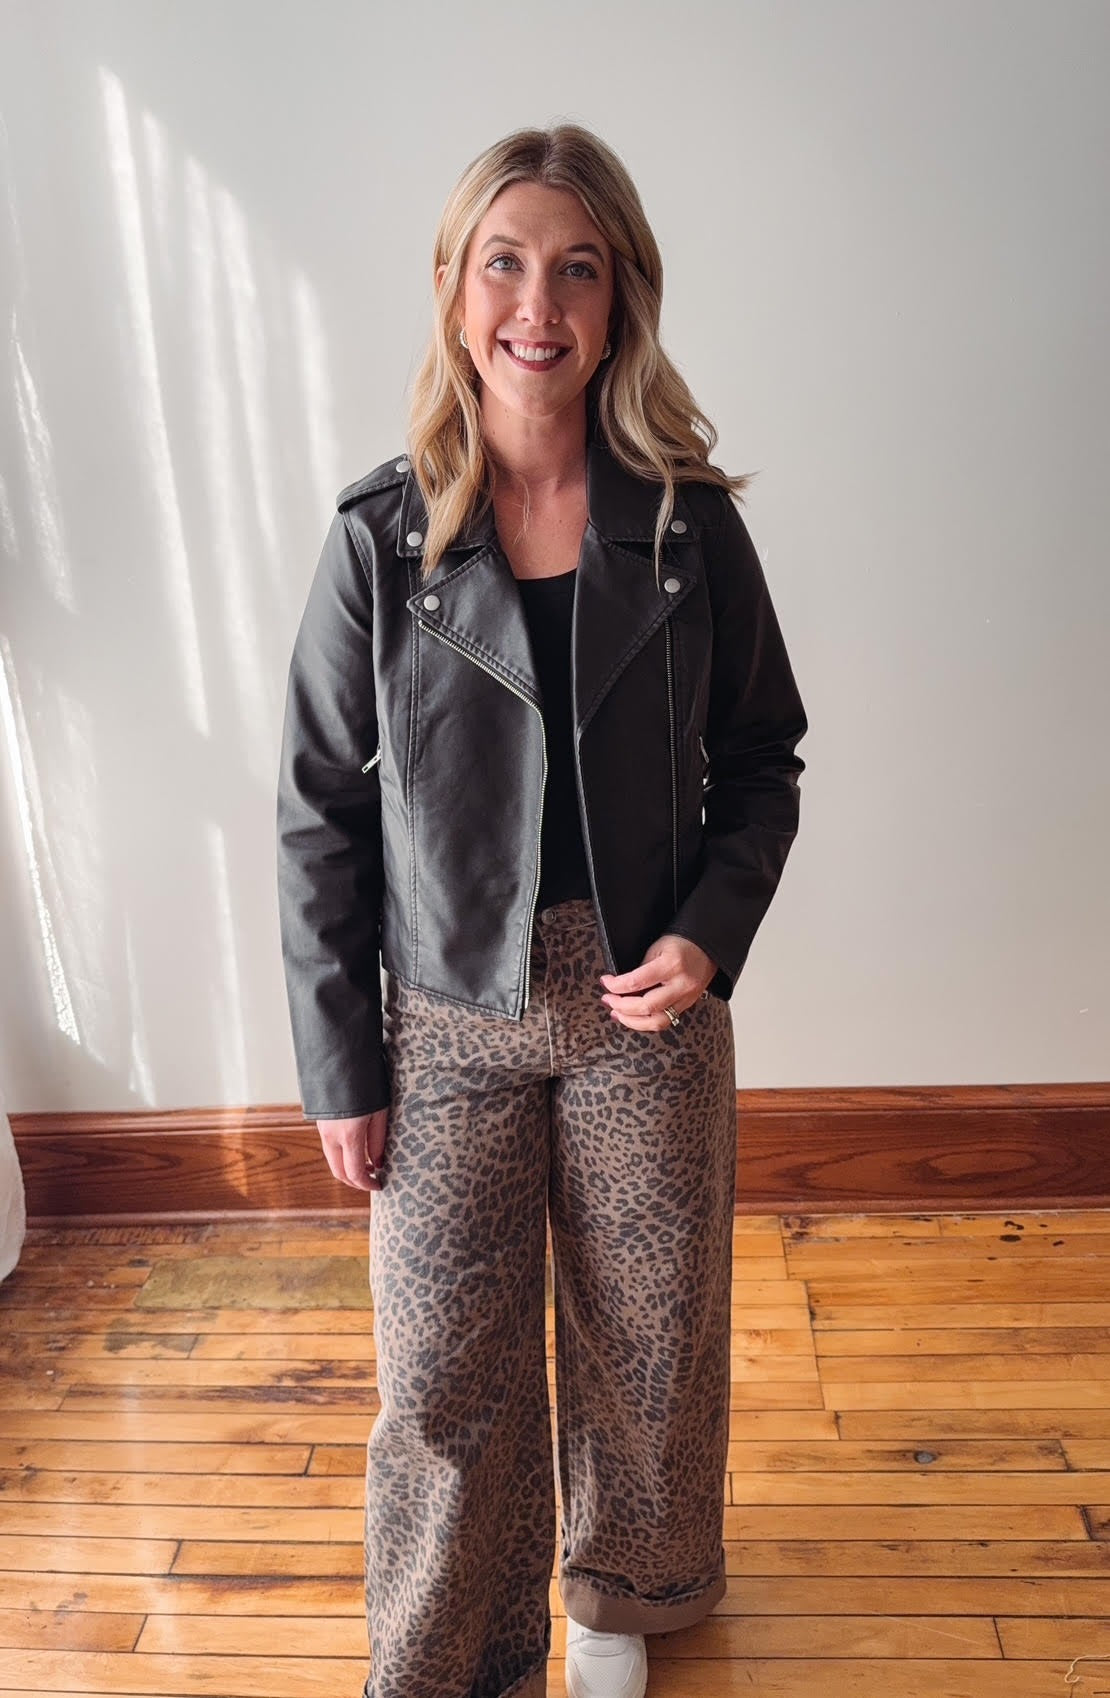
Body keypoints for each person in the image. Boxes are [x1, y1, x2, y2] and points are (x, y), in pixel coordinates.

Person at [276, 121, 808, 1698]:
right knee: (445, 1376)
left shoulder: (685, 526)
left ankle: (617, 1603)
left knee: (649, 1343)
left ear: (621, 298)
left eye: (577, 266)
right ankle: (454, 1645)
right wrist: (340, 1063)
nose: (538, 303)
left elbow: (763, 755)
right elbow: (317, 805)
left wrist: (706, 935)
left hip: (645, 1001)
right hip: (445, 1014)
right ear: (454, 295)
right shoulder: (381, 540)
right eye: (504, 262)